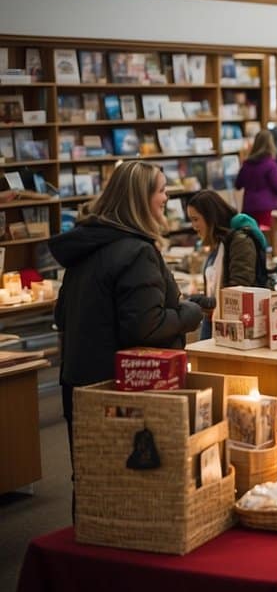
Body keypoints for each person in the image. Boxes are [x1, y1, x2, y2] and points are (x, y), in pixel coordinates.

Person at [51, 161, 204, 458]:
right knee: (131, 488)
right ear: (140, 199)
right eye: (161, 191)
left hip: (79, 385)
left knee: (90, 481)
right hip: (121, 389)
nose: (167, 198)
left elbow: (62, 316)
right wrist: (189, 314)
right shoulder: (136, 251)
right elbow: (146, 327)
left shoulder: (88, 247)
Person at [186, 190, 268, 339]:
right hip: (213, 323)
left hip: (235, 329)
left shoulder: (239, 242)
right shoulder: (220, 243)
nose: (193, 225)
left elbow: (238, 292)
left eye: (196, 219)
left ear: (210, 217)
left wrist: (201, 302)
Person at [234, 130, 277, 230]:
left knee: (251, 239)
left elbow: (238, 184)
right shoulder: (270, 165)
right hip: (266, 209)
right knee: (266, 239)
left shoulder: (247, 164)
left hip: (248, 208)